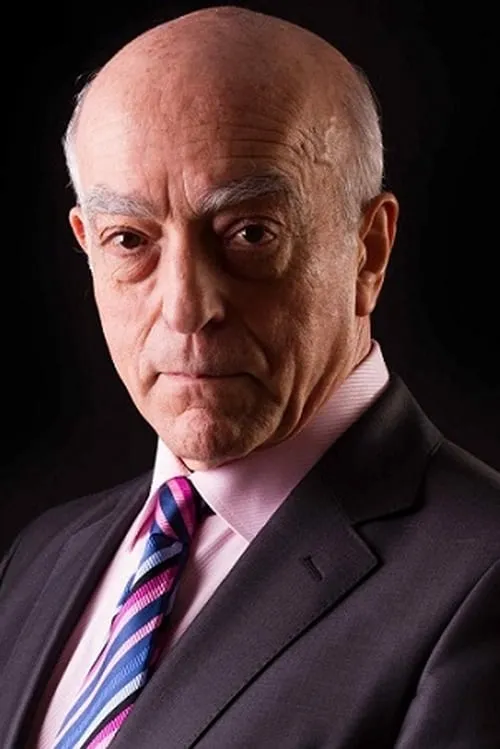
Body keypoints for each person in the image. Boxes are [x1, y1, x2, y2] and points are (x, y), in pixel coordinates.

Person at [1, 5, 499, 748]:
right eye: (130, 240)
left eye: (250, 233)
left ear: (368, 250)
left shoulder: (481, 580)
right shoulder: (40, 558)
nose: (186, 308)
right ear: (87, 244)